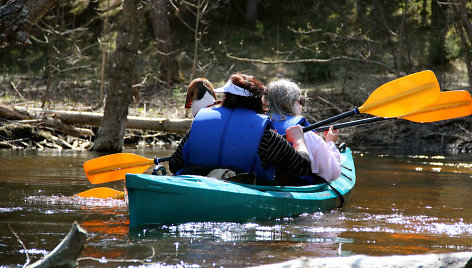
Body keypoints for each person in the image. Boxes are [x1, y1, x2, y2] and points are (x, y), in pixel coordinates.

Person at [169, 73, 313, 185]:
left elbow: (174, 165)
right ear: (258, 101)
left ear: (226, 97)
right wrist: (299, 140)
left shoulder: (200, 122)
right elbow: (301, 167)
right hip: (244, 193)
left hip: (198, 186)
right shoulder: (265, 136)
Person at [266, 78, 341, 185]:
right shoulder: (303, 132)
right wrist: (330, 143)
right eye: (299, 101)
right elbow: (333, 172)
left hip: (263, 183)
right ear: (289, 103)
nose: (301, 105)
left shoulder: (259, 126)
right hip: (297, 186)